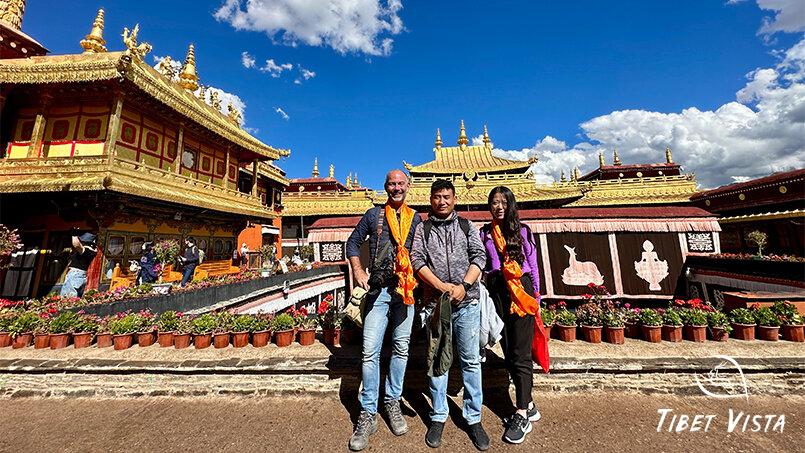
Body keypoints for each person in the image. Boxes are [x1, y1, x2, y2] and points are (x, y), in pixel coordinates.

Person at [345, 169, 422, 451]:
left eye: (401, 183)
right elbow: (352, 243)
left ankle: (392, 402)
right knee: (370, 351)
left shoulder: (416, 218)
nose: (397, 188)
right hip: (378, 291)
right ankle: (367, 411)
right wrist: (358, 270)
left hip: (406, 293)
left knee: (401, 348)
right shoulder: (373, 215)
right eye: (392, 183)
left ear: (408, 186)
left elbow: (422, 254)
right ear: (386, 187)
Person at [410, 179, 490, 451]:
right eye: (437, 197)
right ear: (430, 199)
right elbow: (417, 260)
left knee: (470, 361)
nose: (442, 201)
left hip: (467, 303)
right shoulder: (423, 228)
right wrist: (442, 287)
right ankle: (439, 414)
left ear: (454, 199)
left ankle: (473, 417)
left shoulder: (467, 226)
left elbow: (480, 257)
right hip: (436, 305)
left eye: (446, 196)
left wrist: (464, 286)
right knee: (437, 361)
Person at [480, 186, 542, 444]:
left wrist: (537, 297)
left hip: (522, 291)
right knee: (508, 350)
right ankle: (528, 404)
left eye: (503, 202)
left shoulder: (523, 231)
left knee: (521, 352)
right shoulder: (484, 233)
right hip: (497, 291)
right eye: (494, 203)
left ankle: (520, 414)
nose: (499, 207)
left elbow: (534, 265)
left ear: (511, 204)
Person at [60, 231, 97, 297]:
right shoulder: (93, 252)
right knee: (75, 299)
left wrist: (74, 234)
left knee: (68, 298)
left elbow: (76, 244)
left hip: (75, 275)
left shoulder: (86, 250)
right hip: (81, 275)